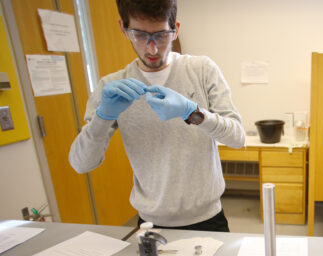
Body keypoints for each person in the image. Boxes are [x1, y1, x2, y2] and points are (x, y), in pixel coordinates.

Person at [69, 0, 245, 232]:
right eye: (140, 35)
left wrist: (193, 112)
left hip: (208, 217)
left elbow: (237, 138)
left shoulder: (202, 69)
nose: (152, 49)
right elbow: (81, 164)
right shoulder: (111, 86)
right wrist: (103, 116)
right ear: (123, 28)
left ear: (175, 30)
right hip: (151, 223)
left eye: (161, 35)